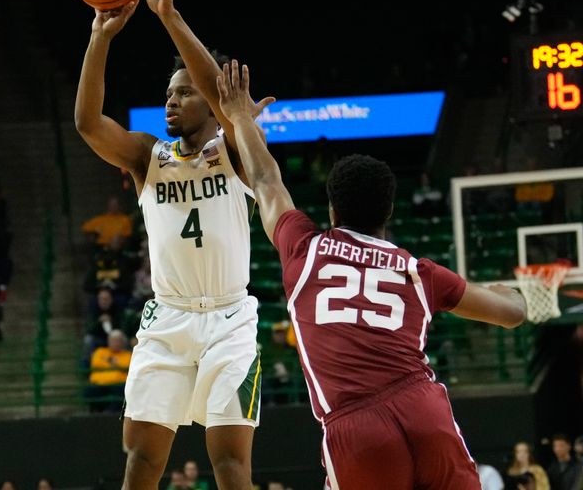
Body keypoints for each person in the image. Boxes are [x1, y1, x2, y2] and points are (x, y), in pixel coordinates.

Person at [216, 59, 528, 489]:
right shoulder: (420, 271)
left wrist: (238, 118)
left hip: (355, 426)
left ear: (331, 209)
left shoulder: (305, 250)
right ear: (390, 211)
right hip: (423, 407)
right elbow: (512, 313)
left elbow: (267, 179)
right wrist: (512, 291)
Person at [75, 0, 272, 490]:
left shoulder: (236, 149)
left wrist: (168, 15)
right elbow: (88, 122)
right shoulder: (146, 156)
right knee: (141, 459)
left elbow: (222, 96)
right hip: (167, 320)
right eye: (167, 93)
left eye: (184, 92)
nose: (172, 101)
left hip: (231, 321)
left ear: (210, 105)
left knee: (230, 463)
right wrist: (101, 37)